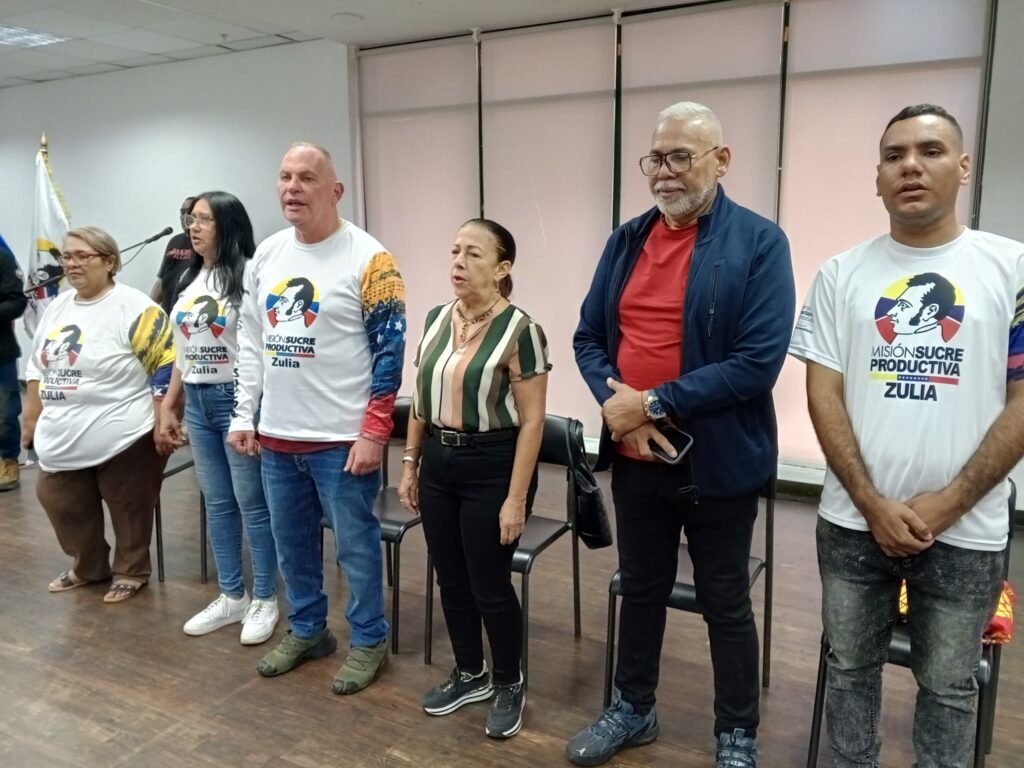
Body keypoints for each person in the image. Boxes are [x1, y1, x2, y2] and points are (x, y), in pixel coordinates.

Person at [789, 104, 1024, 767]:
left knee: (949, 688)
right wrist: (870, 503)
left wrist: (950, 502)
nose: (911, 166)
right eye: (894, 156)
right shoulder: (841, 274)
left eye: (930, 151)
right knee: (848, 670)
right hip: (851, 526)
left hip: (966, 533)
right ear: (878, 177)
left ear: (964, 167)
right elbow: (823, 393)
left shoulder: (1013, 268)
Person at [569, 102, 794, 768]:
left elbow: (757, 362)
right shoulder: (626, 240)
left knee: (725, 599)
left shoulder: (759, 243)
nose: (664, 171)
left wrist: (654, 402)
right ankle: (632, 708)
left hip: (718, 459)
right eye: (656, 158)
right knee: (640, 586)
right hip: (636, 457)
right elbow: (588, 337)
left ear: (721, 161)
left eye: (680, 157)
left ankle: (737, 733)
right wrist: (622, 411)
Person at [228, 142, 406, 693]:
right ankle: (308, 630)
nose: (292, 187)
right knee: (292, 546)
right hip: (278, 439)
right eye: (285, 176)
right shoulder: (267, 255)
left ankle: (369, 640)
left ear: (335, 190)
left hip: (341, 442)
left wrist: (374, 431)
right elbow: (251, 340)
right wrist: (244, 414)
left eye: (306, 177)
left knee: (356, 548)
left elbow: (391, 352)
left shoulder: (370, 259)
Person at [397, 218, 550, 739]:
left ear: (502, 268)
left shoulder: (522, 330)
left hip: (493, 466)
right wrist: (410, 463)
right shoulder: (437, 318)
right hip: (439, 461)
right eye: (454, 251)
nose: (458, 262)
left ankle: (509, 681)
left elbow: (533, 423)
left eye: (473, 254)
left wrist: (516, 499)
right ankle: (470, 672)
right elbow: (421, 400)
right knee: (451, 577)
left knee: (489, 584)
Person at [22, 226, 175, 603]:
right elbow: (37, 364)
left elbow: (166, 362)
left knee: (129, 506)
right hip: (61, 435)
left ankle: (131, 570)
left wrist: (162, 417)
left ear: (109, 262)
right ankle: (89, 566)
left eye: (82, 256)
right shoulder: (58, 306)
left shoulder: (134, 306)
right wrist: (31, 413)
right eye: (67, 256)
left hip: (125, 434)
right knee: (58, 498)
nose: (71, 264)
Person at [156, 191, 280, 645]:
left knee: (252, 503)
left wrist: (249, 412)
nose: (193, 226)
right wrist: (170, 404)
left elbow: (259, 349)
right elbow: (183, 350)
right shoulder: (188, 277)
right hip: (197, 398)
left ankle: (265, 597)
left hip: (237, 399)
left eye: (204, 219)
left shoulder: (248, 274)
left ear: (228, 225)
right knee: (218, 502)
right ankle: (233, 596)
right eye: (191, 219)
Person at [0, 234, 28, 491]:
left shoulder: (2, 258)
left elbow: (17, 302)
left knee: (5, 413)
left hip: (1, 353)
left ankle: (8, 460)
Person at [152, 196, 197, 315]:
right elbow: (161, 280)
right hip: (167, 314)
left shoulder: (206, 245)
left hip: (189, 316)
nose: (185, 216)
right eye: (182, 212)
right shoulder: (174, 241)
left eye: (189, 212)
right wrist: (147, 307)